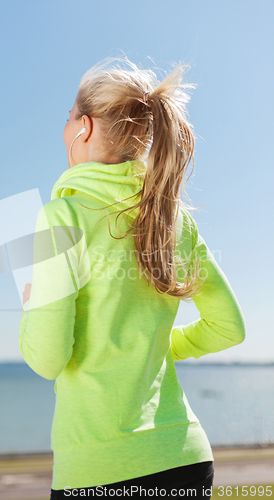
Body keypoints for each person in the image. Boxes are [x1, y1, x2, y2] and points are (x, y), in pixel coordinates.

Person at [19, 56, 246, 499]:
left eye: (67, 118)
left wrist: (32, 306)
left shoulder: (60, 218)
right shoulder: (173, 219)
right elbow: (228, 328)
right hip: (185, 458)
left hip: (99, 470)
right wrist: (157, 348)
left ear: (83, 127)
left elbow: (46, 359)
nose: (65, 129)